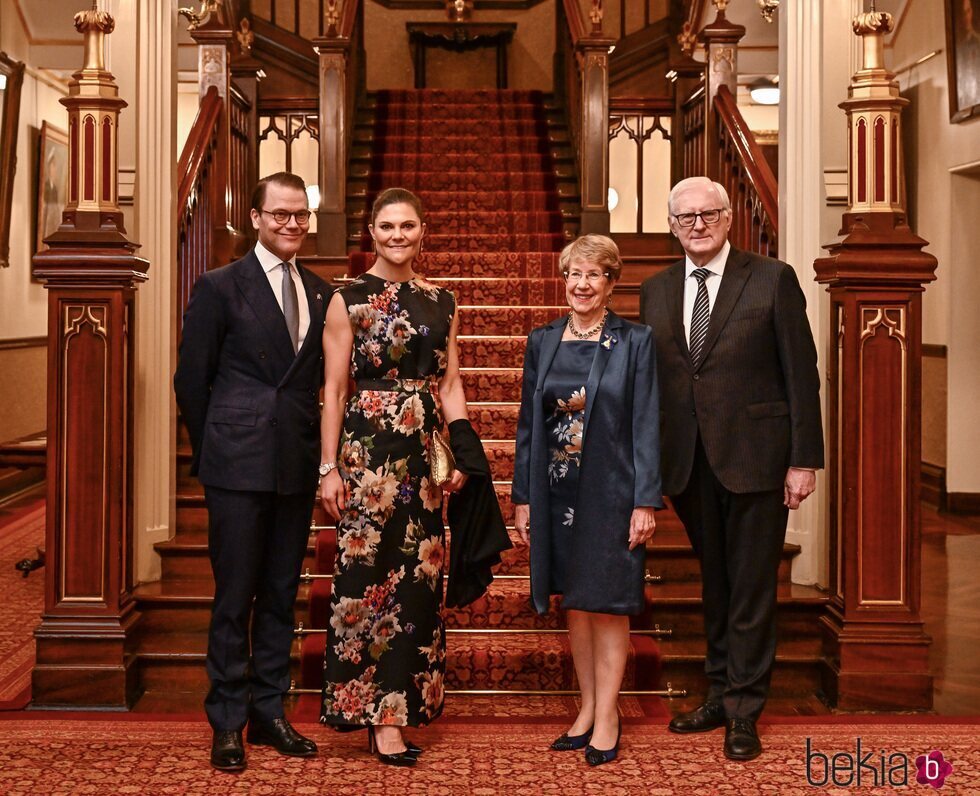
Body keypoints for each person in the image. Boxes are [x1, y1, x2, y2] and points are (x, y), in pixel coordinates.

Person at [639, 177, 824, 761]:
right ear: (672, 226)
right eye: (685, 216)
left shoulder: (772, 278)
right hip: (689, 464)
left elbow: (803, 374)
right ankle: (719, 692)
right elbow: (660, 383)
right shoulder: (657, 289)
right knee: (716, 585)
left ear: (727, 219)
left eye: (708, 213)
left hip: (758, 460)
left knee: (750, 587)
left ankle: (745, 708)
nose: (697, 224)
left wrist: (804, 459)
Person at [174, 172, 328, 772]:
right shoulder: (219, 286)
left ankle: (269, 713)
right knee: (235, 595)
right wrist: (214, 446)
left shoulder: (319, 291)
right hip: (236, 465)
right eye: (281, 214)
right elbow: (193, 380)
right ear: (257, 217)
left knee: (282, 596)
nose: (292, 224)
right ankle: (228, 722)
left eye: (300, 216)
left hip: (294, 461)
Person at [318, 187, 471, 767]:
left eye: (407, 226)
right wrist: (329, 467)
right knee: (365, 577)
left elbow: (450, 384)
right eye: (387, 226)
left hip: (424, 452)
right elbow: (334, 389)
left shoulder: (443, 300)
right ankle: (374, 717)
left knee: (418, 583)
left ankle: (401, 709)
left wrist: (460, 453)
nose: (397, 235)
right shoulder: (347, 298)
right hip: (367, 452)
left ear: (422, 230)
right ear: (372, 232)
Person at [512, 234, 663, 767]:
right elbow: (529, 425)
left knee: (609, 602)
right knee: (575, 601)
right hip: (555, 491)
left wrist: (645, 501)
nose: (582, 284)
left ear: (611, 283)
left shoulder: (635, 341)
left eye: (594, 274)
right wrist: (523, 497)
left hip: (611, 490)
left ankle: (609, 714)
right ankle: (586, 707)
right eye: (574, 273)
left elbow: (645, 423)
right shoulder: (543, 339)